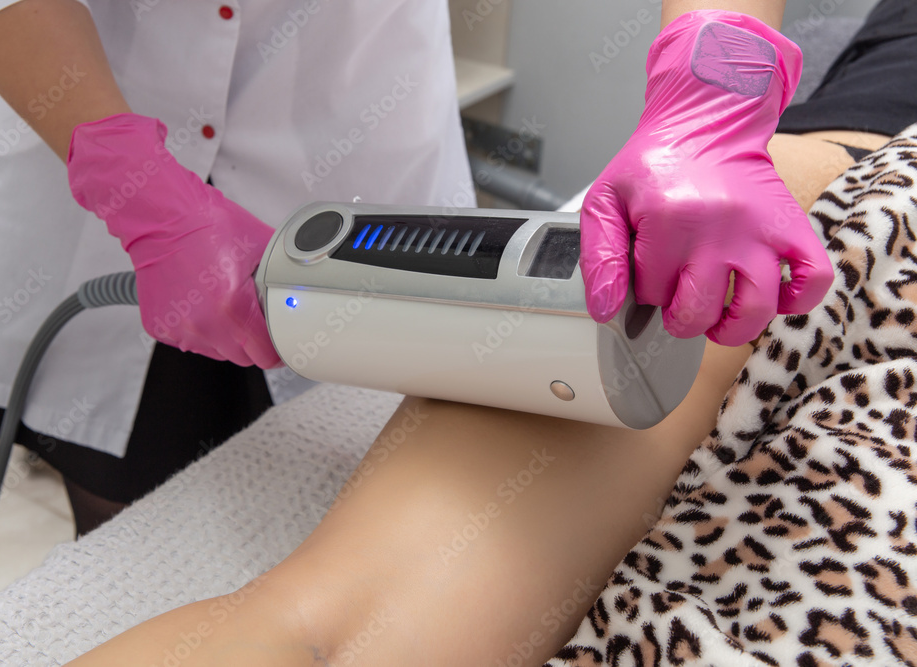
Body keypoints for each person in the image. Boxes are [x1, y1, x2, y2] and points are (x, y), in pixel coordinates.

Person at [61, 1, 917, 665]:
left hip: (851, 194)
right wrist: (121, 170)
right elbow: (322, 634)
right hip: (850, 193)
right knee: (329, 612)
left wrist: (713, 94)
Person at [0, 0, 473, 535]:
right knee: (132, 535)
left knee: (369, 490)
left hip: (351, 110)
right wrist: (136, 186)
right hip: (92, 99)